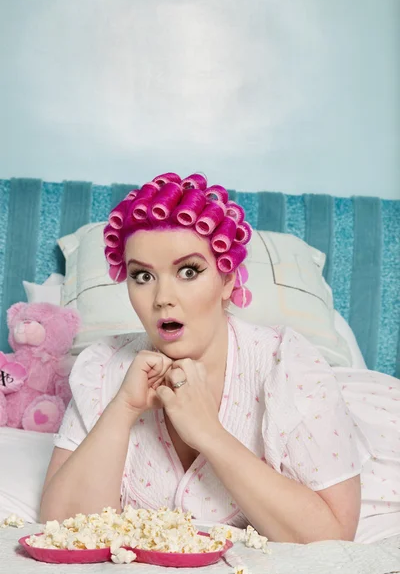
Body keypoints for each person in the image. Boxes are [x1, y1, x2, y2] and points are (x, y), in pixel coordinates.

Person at [40, 172, 400, 544]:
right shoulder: (101, 366)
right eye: (142, 276)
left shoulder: (287, 364)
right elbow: (59, 526)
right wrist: (123, 409)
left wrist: (209, 434)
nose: (162, 297)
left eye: (188, 271)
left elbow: (333, 536)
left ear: (227, 279)